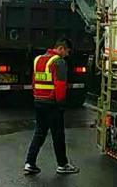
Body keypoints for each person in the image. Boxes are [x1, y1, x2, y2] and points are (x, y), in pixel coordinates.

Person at [24, 39, 78, 176]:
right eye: (66, 52)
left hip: (38, 101)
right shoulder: (58, 62)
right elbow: (60, 85)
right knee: (58, 135)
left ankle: (29, 163)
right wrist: (61, 103)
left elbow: (34, 81)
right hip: (52, 104)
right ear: (61, 48)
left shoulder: (38, 60)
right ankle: (62, 164)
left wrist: (36, 96)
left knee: (39, 133)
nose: (66, 55)